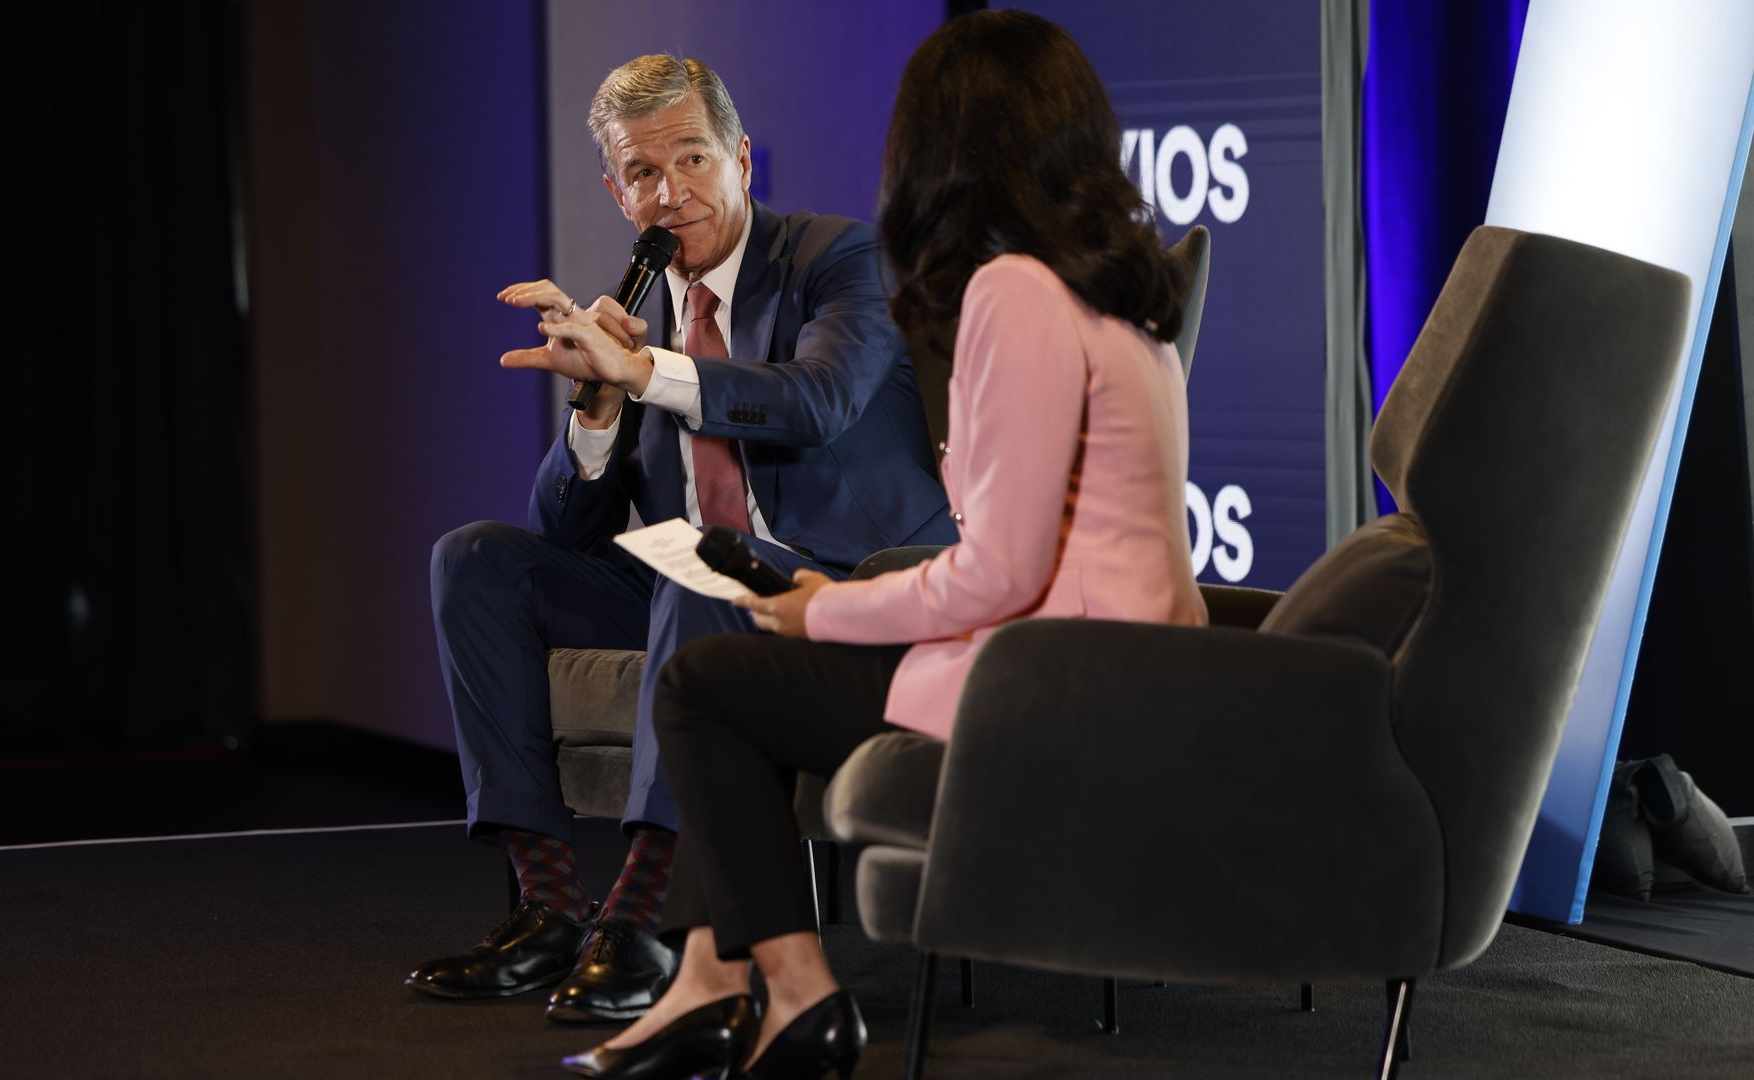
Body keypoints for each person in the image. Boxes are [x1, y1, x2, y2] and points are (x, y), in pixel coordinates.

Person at [558, 10, 1208, 1078]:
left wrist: (824, 607)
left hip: (1051, 682)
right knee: (736, 673)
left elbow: (999, 571)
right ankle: (717, 985)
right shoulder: (1121, 286)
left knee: (709, 687)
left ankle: (779, 993)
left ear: (938, 149)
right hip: (1116, 662)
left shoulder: (1014, 291)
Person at [407, 54, 955, 1023]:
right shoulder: (639, 319)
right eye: (646, 176)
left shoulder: (837, 261)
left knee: (703, 567)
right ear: (620, 196)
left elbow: (817, 403)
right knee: (477, 561)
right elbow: (563, 534)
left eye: (694, 159)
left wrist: (651, 368)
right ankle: (547, 912)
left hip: (848, 588)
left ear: (744, 159)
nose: (674, 193)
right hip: (687, 600)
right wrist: (599, 404)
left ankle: (644, 922)